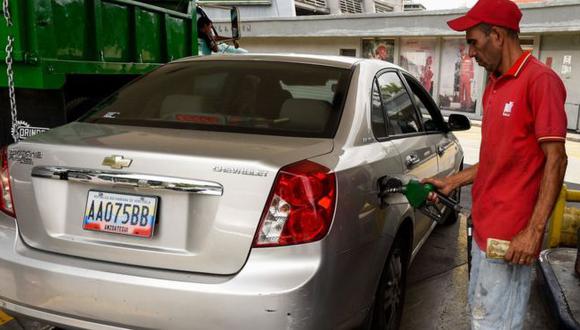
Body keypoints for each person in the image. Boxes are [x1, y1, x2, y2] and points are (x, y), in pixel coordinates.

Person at [423, 0, 568, 329]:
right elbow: (497, 158)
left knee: (493, 325)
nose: (470, 53)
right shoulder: (495, 85)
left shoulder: (540, 81)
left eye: (473, 41)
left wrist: (533, 232)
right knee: (480, 315)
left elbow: (556, 161)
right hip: (484, 232)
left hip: (511, 241)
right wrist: (454, 181)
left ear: (498, 36)